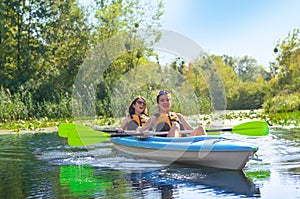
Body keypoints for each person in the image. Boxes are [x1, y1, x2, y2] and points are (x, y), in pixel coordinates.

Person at [136, 90, 206, 137]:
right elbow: (139, 130)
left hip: (182, 143)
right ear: (158, 104)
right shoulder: (155, 118)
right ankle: (176, 149)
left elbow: (191, 130)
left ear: (170, 102)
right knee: (175, 125)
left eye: (167, 100)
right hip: (167, 144)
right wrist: (143, 133)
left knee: (200, 128)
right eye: (162, 100)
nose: (165, 102)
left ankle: (208, 149)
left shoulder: (178, 116)